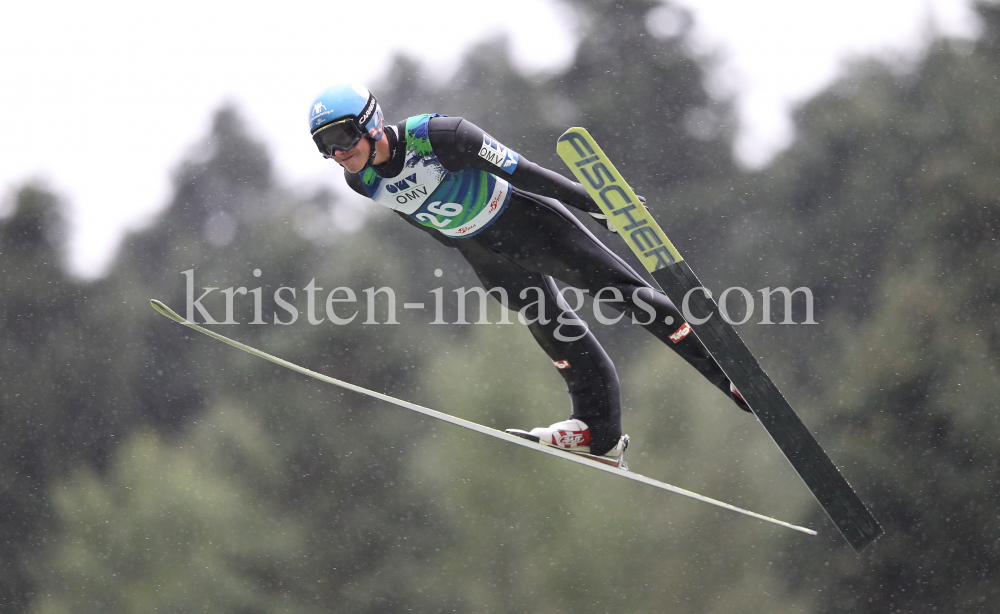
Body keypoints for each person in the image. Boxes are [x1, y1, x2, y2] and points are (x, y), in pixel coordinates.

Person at [308, 84, 749, 458]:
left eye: (343, 136)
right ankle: (599, 433)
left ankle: (729, 373)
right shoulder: (359, 180)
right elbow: (420, 217)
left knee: (623, 295)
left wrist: (594, 202)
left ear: (370, 121)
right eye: (325, 146)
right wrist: (469, 249)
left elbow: (526, 173)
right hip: (484, 252)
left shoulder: (442, 135)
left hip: (527, 222)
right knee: (551, 329)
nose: (339, 152)